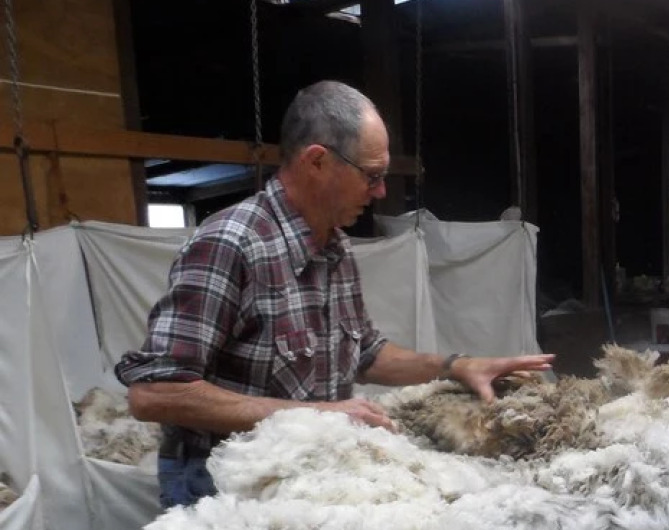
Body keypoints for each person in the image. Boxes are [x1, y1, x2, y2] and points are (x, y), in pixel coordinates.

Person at [117, 80, 553, 508]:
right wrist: (320, 417)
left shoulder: (333, 246)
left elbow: (364, 353)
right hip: (225, 485)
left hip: (303, 476)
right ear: (317, 162)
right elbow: (156, 393)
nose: (380, 191)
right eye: (372, 176)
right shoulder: (230, 244)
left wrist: (456, 366)